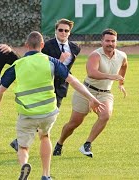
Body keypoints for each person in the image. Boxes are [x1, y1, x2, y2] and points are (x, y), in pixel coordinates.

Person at [0, 31, 105, 180]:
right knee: (45, 137)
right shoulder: (51, 61)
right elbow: (73, 81)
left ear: (26, 46)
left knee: (23, 146)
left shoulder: (18, 65)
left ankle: (24, 165)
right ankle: (46, 174)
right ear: (42, 45)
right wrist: (92, 98)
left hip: (27, 113)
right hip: (48, 112)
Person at [53, 28, 128, 158]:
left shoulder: (122, 55)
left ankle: (87, 144)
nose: (110, 43)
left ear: (116, 42)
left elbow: (124, 65)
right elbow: (92, 73)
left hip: (105, 93)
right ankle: (60, 143)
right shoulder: (95, 55)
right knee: (74, 123)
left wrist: (121, 83)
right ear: (102, 41)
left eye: (113, 41)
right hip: (86, 91)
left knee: (105, 115)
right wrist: (111, 76)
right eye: (107, 41)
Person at [10, 18, 81, 152]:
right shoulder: (46, 46)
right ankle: (22, 142)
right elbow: (40, 63)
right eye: (60, 30)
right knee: (42, 115)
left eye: (66, 31)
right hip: (44, 85)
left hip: (60, 87)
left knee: (49, 115)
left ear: (70, 33)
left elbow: (67, 69)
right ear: (56, 31)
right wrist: (59, 61)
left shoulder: (75, 47)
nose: (63, 33)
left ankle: (19, 142)